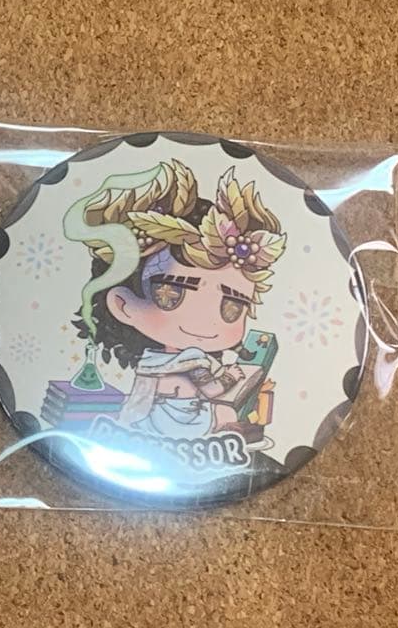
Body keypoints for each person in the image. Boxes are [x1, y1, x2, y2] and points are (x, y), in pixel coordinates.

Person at [73, 159, 286, 440]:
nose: (205, 322)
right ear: (124, 305)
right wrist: (232, 377)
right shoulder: (192, 359)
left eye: (232, 308)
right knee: (227, 415)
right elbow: (211, 390)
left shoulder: (154, 360)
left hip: (157, 423)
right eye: (172, 295)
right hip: (179, 426)